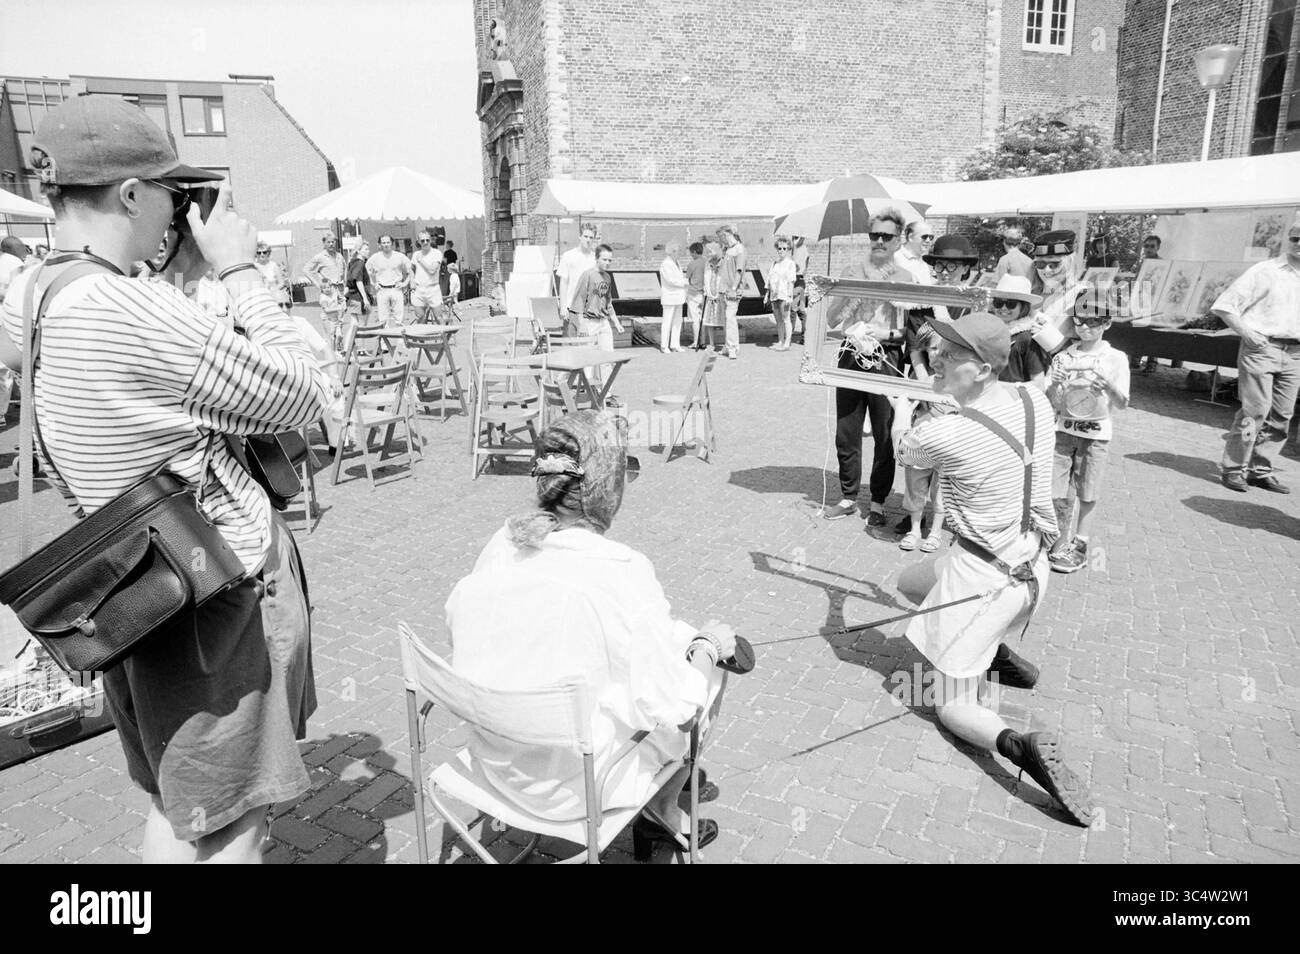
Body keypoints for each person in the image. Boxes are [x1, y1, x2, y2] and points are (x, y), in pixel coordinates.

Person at [0, 95, 328, 863]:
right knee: (232, 825)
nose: (178, 214)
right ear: (129, 193)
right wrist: (242, 272)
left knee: (179, 805)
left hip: (133, 589)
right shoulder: (127, 307)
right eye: (172, 195)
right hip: (211, 598)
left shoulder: (31, 295)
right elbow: (303, 389)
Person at [445, 410, 732, 856]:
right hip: (572, 791)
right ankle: (663, 810)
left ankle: (662, 800)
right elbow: (673, 702)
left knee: (622, 671)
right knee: (708, 676)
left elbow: (464, 630)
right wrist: (706, 647)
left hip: (495, 765)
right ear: (606, 486)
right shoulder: (621, 569)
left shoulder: (502, 542)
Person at [894, 313, 1093, 827]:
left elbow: (909, 469)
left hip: (982, 580)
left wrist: (907, 405)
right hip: (1032, 567)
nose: (934, 359)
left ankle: (1018, 746)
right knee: (909, 583)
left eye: (949, 356)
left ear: (982, 369)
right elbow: (1044, 370)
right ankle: (996, 650)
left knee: (949, 708)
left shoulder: (943, 432)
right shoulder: (1032, 400)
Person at [822, 209, 914, 527]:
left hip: (886, 358)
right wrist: (853, 296)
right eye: (874, 235)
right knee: (846, 432)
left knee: (885, 435)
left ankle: (877, 501)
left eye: (886, 236)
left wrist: (883, 333)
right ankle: (848, 496)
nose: (878, 241)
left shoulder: (903, 278)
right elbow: (833, 320)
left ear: (898, 240)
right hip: (851, 353)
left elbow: (907, 331)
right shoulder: (852, 270)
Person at [1212, 213, 1300, 495]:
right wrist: (1247, 333)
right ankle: (1234, 468)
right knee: (1255, 412)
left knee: (1282, 415)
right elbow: (1224, 306)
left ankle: (1260, 469)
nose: (1299, 243)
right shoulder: (1267, 270)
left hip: (1295, 353)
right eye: (1296, 238)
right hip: (1263, 349)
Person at [1044, 310, 1129, 573]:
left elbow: (1123, 402)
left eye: (1093, 322)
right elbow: (1052, 402)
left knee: (1088, 490)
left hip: (1096, 434)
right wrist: (1053, 386)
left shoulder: (1115, 358)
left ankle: (1080, 544)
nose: (1084, 327)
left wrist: (1108, 386)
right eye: (1079, 321)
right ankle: (1056, 540)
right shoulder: (1062, 357)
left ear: (1107, 323)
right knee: (1055, 488)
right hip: (1063, 429)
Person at [567, 243, 624, 387]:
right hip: (589, 321)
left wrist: (616, 323)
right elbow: (579, 299)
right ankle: (586, 389)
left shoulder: (607, 278)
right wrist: (582, 324)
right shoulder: (588, 275)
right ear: (597, 258)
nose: (607, 263)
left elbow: (608, 302)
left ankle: (606, 391)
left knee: (607, 357)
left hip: (603, 322)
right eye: (604, 259)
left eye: (610, 260)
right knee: (588, 359)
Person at [990, 274, 1049, 389]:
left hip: (1016, 401)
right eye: (998, 303)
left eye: (1011, 304)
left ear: (1023, 307)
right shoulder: (989, 332)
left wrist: (1000, 387)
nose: (1004, 308)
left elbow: (1038, 384)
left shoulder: (1027, 337)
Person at [303, 234, 347, 352]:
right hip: (328, 292)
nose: (331, 244)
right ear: (324, 243)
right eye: (328, 242)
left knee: (340, 319)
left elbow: (344, 270)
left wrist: (345, 285)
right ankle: (329, 351)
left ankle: (339, 349)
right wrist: (318, 284)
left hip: (340, 291)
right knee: (329, 322)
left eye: (333, 242)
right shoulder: (320, 257)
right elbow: (307, 270)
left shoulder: (339, 256)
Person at [366, 234, 412, 325]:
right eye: (383, 243)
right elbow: (366, 270)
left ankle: (400, 338)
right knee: (383, 319)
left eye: (388, 242)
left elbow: (411, 270)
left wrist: (405, 283)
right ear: (379, 245)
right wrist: (373, 283)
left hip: (396, 289)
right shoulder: (375, 257)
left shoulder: (400, 256)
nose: (386, 244)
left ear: (392, 244)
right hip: (382, 290)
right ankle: (384, 339)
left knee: (399, 318)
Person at [717, 225, 746, 360]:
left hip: (732, 290)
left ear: (728, 234)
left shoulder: (739, 249)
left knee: (730, 319)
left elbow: (739, 271)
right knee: (725, 319)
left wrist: (734, 288)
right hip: (723, 289)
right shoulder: (727, 250)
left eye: (721, 237)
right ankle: (727, 345)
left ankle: (733, 347)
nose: (721, 240)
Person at [556, 223, 597, 313]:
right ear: (580, 236)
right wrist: (563, 307)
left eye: (591, 237)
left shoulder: (595, 259)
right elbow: (563, 284)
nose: (588, 240)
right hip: (571, 307)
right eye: (585, 236)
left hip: (589, 309)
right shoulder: (568, 256)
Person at [766, 234, 798, 350]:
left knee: (786, 319)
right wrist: (766, 294)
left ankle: (787, 343)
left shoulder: (790, 264)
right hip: (774, 295)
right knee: (778, 320)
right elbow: (769, 280)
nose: (782, 251)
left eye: (785, 248)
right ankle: (780, 341)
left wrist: (790, 296)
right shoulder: (775, 263)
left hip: (784, 295)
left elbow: (791, 281)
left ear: (788, 249)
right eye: (779, 248)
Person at [658, 239, 687, 353]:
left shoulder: (677, 263)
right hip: (669, 296)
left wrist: (684, 282)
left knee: (677, 321)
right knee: (667, 321)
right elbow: (670, 280)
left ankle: (675, 344)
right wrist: (685, 282)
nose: (680, 253)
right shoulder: (666, 263)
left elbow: (678, 278)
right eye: (678, 251)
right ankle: (664, 345)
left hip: (679, 296)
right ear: (672, 251)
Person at [410, 230, 443, 323]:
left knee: (439, 317)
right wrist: (412, 281)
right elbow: (411, 268)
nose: (425, 242)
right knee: (420, 317)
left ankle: (445, 337)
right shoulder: (415, 254)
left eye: (427, 240)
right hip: (419, 290)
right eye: (422, 240)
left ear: (430, 240)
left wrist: (421, 261)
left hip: (433, 289)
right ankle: (422, 337)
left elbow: (432, 270)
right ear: (418, 242)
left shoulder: (436, 253)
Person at [701, 241, 725, 352]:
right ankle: (711, 343)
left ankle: (726, 343)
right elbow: (706, 277)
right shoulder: (708, 264)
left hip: (720, 295)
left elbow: (723, 277)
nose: (709, 253)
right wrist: (709, 293)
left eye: (711, 251)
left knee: (723, 320)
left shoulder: (723, 262)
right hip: (711, 295)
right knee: (709, 320)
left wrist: (719, 293)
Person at [895, 220, 935, 285]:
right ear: (910, 237)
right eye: (924, 237)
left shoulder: (924, 264)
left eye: (931, 237)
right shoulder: (895, 259)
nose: (928, 240)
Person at [253, 241, 291, 311]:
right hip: (258, 295)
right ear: (256, 254)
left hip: (274, 294)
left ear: (268, 253)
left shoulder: (273, 265)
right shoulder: (253, 267)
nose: (262, 254)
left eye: (264, 252)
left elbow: (281, 283)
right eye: (259, 252)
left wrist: (273, 290)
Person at [345, 241, 373, 334]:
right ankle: (361, 347)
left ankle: (349, 346)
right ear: (358, 250)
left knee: (354, 324)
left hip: (353, 297)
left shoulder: (352, 262)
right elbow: (358, 281)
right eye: (365, 249)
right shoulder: (360, 263)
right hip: (359, 298)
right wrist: (365, 299)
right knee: (362, 325)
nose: (368, 251)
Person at [684, 241, 706, 350]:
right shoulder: (707, 262)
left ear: (694, 252)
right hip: (704, 293)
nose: (691, 255)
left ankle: (696, 341)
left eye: (691, 253)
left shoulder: (692, 264)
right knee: (703, 318)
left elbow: (687, 277)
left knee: (695, 320)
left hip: (693, 292)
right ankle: (703, 341)